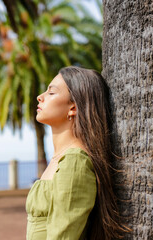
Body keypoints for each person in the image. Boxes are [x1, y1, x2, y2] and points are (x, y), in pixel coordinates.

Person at [25, 66, 129, 240]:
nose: (40, 97)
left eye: (51, 93)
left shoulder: (74, 162)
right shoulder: (61, 159)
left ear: (73, 107)